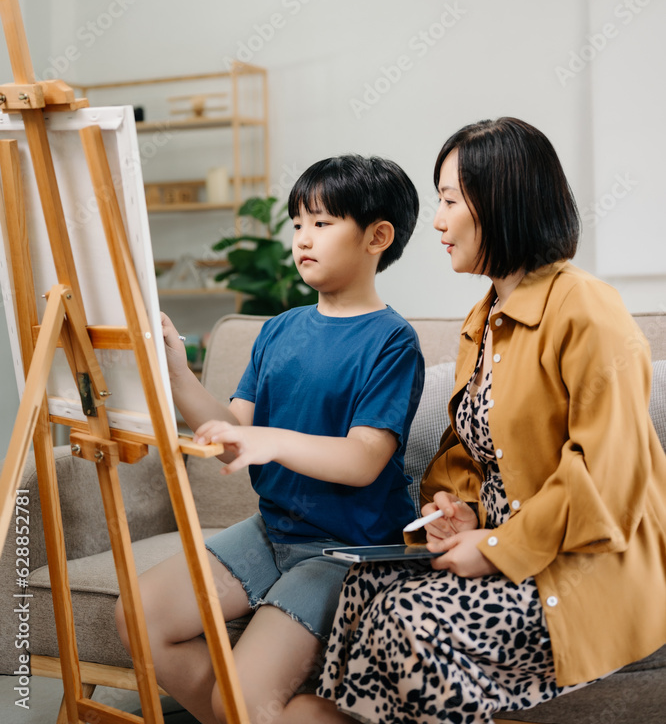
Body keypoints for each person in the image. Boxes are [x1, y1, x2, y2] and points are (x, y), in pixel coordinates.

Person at [282, 117, 666, 724]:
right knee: (364, 589)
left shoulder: (586, 307)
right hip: (510, 548)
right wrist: (454, 512)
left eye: (449, 199)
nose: (436, 220)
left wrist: (495, 545)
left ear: (500, 201)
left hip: (581, 565)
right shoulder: (483, 317)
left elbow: (607, 476)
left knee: (408, 619)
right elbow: (471, 458)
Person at [115, 154, 425, 724]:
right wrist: (179, 373)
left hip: (348, 553)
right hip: (273, 529)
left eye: (323, 223)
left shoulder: (392, 341)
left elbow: (363, 460)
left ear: (377, 236)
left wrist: (272, 439)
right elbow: (235, 431)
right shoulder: (278, 330)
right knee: (139, 615)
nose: (303, 238)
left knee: (245, 697)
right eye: (298, 223)